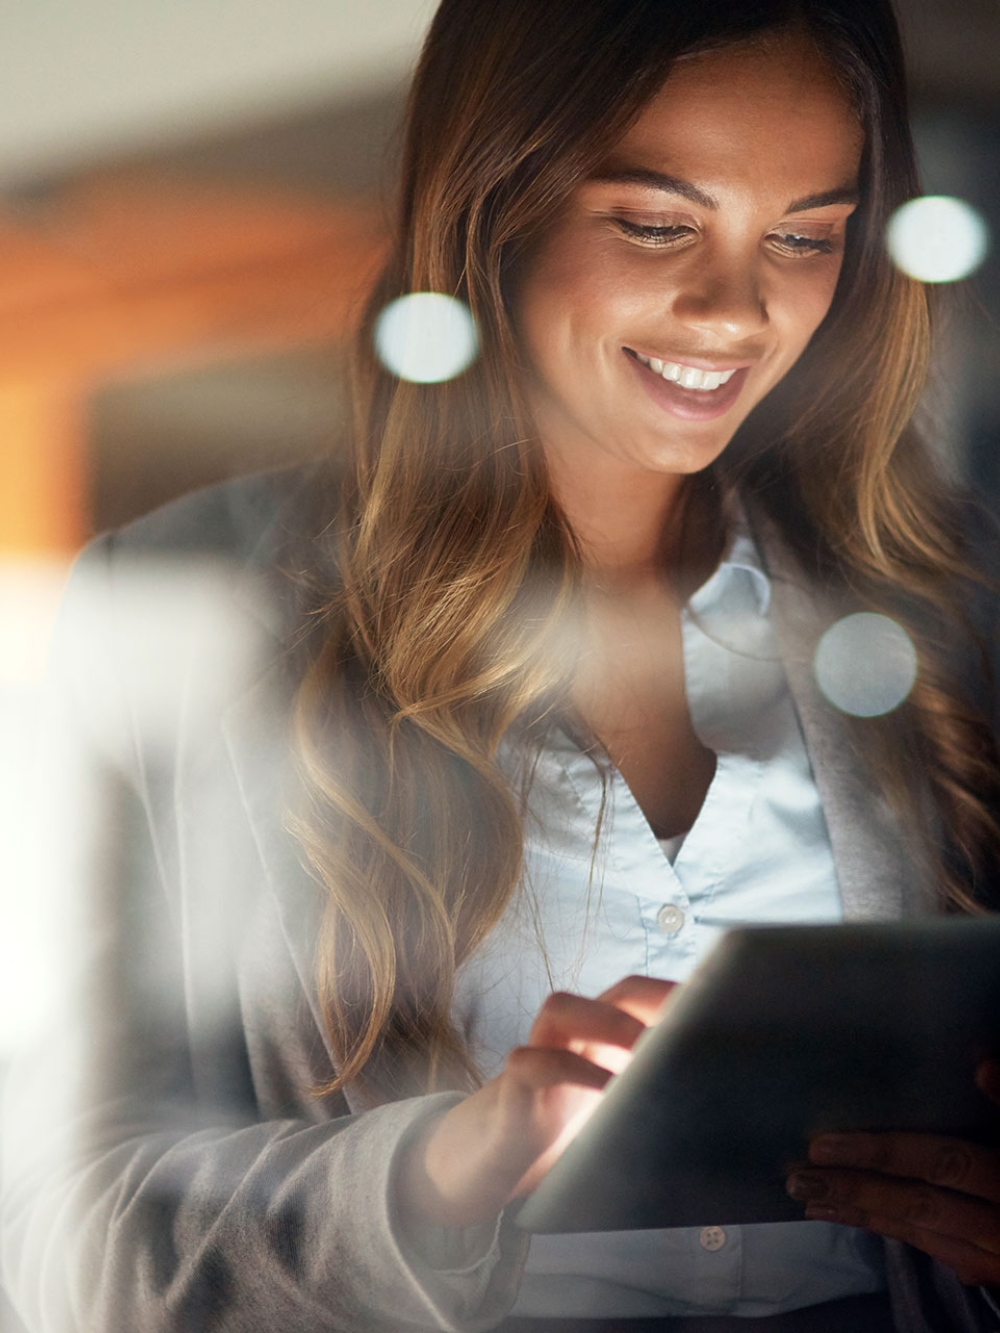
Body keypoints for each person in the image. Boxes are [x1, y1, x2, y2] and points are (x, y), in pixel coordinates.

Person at [3, 0, 1000, 1330]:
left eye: (806, 238)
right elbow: (54, 1233)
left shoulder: (953, 614)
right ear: (493, 207)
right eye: (656, 223)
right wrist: (435, 1171)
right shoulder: (200, 608)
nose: (738, 310)